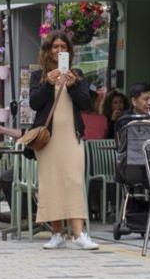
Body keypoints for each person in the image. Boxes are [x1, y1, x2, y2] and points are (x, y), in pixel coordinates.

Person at [29, 30, 98, 250]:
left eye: (63, 47)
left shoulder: (76, 74)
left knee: (74, 182)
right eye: (55, 47)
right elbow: (34, 103)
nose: (59, 51)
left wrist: (74, 85)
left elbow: (87, 104)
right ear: (48, 51)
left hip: (72, 137)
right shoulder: (39, 75)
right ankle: (57, 232)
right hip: (48, 139)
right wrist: (48, 84)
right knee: (51, 183)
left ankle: (78, 234)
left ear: (69, 51)